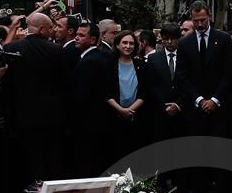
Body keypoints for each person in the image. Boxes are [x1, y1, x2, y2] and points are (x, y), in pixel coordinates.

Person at [175, 1, 232, 193]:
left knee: (220, 154)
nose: (200, 24)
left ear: (209, 16)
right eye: (196, 21)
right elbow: (182, 76)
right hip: (195, 109)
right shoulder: (184, 43)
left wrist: (215, 99)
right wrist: (200, 100)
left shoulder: (223, 39)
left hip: (219, 107)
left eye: (203, 20)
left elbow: (229, 73)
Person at [0, 13, 68, 188]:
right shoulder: (57, 51)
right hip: (52, 117)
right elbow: (64, 83)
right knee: (51, 162)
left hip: (22, 116)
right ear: (42, 28)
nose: (52, 31)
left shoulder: (12, 48)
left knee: (27, 162)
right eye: (50, 28)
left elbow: (5, 84)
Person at [72, 22, 112, 177]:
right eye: (76, 34)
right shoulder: (99, 56)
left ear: (93, 40)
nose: (76, 38)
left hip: (88, 123)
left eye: (82, 35)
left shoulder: (90, 61)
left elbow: (82, 95)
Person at [106, 31, 149, 166]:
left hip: (135, 117)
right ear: (117, 45)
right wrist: (120, 110)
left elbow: (145, 92)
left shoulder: (141, 65)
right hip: (113, 117)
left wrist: (130, 110)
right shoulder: (108, 64)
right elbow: (105, 91)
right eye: (124, 42)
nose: (128, 46)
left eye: (131, 43)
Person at [147, 23, 185, 142]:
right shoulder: (154, 58)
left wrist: (178, 104)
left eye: (173, 38)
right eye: (166, 39)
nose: (169, 42)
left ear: (178, 39)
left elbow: (189, 84)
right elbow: (152, 84)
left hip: (182, 112)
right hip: (160, 112)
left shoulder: (186, 58)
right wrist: (164, 105)